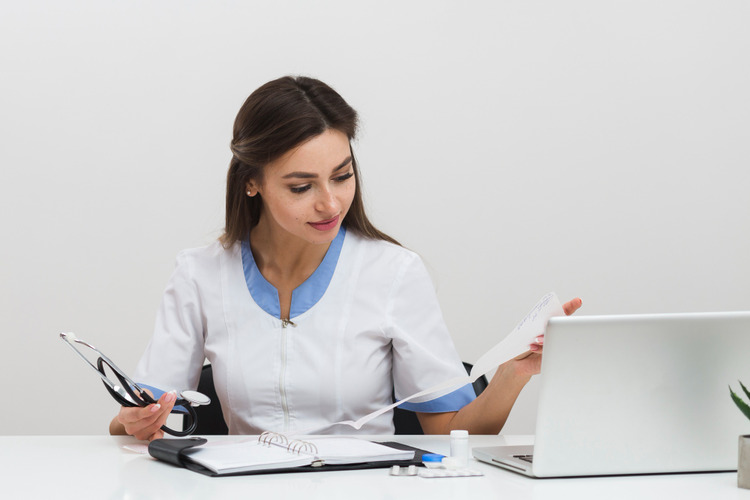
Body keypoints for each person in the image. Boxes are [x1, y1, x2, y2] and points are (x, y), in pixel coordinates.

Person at [109, 76, 582, 441]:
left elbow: (452, 435)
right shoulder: (200, 273)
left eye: (342, 176)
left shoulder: (393, 273)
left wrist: (511, 375)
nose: (331, 204)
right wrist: (137, 421)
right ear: (252, 182)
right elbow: (132, 421)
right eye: (301, 187)